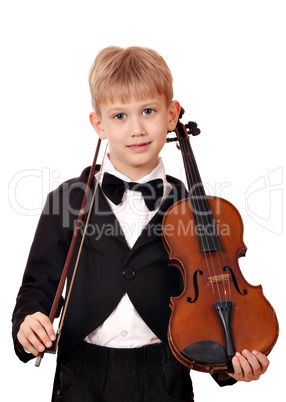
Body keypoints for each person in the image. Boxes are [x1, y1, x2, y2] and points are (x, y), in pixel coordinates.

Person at [12, 46, 269, 402]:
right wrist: (28, 323)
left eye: (148, 111)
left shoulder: (194, 209)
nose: (136, 128)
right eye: (119, 116)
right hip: (80, 377)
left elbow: (210, 297)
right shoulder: (68, 199)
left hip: (165, 374)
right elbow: (36, 288)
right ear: (98, 124)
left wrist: (231, 362)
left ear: (171, 114)